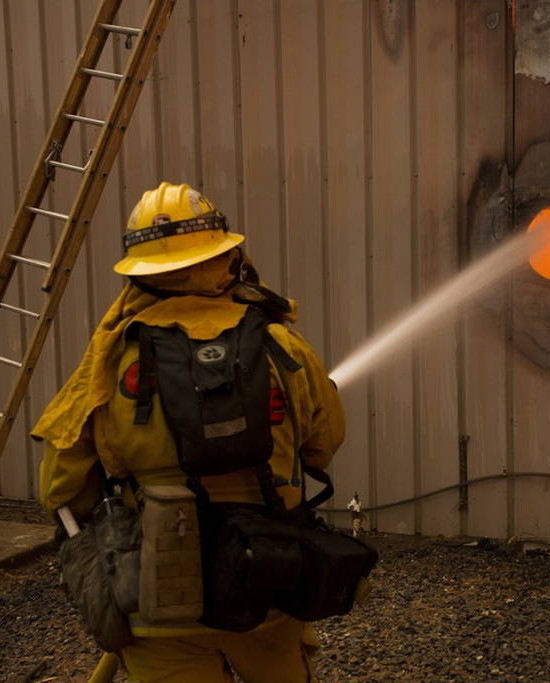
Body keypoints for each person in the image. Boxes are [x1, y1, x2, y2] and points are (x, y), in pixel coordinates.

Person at [33, 181, 346, 682]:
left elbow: (61, 487)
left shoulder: (109, 361)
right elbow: (322, 448)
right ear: (228, 258)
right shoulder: (282, 346)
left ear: (141, 272)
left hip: (159, 593)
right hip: (269, 579)